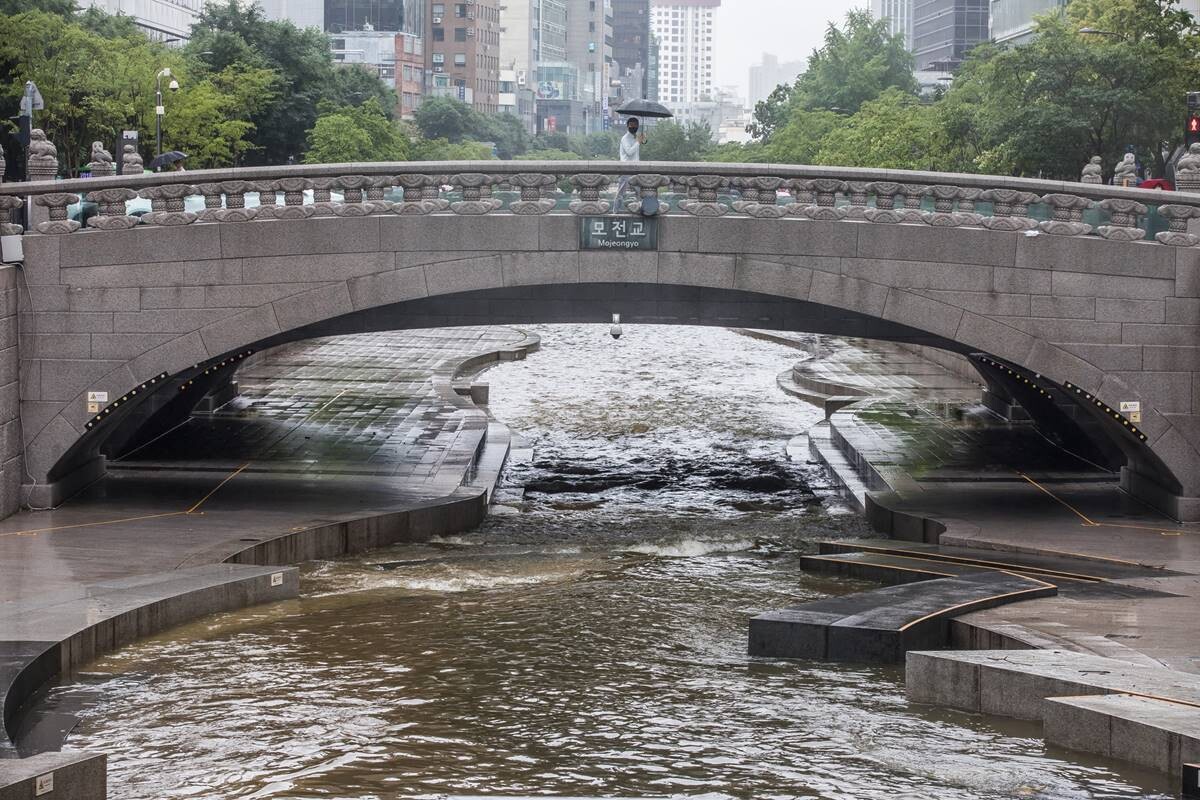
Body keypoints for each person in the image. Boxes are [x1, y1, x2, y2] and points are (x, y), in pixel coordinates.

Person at [616, 116, 646, 204]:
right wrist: (638, 142)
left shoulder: (635, 137)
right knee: (621, 192)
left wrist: (640, 140)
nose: (633, 127)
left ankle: (639, 210)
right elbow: (629, 152)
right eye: (631, 125)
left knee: (639, 192)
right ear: (627, 126)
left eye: (635, 125)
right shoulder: (625, 138)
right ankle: (616, 212)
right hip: (626, 169)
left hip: (636, 169)